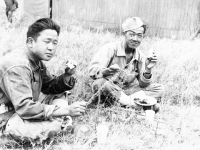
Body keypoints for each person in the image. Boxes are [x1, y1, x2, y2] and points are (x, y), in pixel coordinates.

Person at [0, 18, 87, 144]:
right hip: (8, 113)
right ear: (30, 42)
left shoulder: (36, 60)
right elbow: (25, 108)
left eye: (55, 43)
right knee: (19, 128)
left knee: (60, 92)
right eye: (47, 41)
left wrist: (67, 75)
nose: (51, 47)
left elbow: (49, 87)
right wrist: (66, 111)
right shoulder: (17, 64)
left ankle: (58, 121)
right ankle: (61, 123)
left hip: (25, 106)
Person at [88, 17, 164, 112]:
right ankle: (135, 105)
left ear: (143, 37)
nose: (135, 39)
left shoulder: (140, 56)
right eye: (131, 34)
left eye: (139, 35)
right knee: (100, 83)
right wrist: (106, 71)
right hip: (109, 89)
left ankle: (124, 104)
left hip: (126, 92)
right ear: (124, 34)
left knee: (158, 88)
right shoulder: (110, 48)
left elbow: (143, 84)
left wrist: (148, 69)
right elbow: (92, 71)